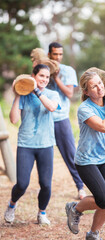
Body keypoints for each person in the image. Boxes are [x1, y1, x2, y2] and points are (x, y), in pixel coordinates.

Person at [65, 71, 105, 240]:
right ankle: (75, 208)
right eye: (94, 86)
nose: (100, 88)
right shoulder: (85, 109)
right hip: (86, 160)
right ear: (86, 92)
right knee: (104, 199)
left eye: (100, 83)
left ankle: (93, 233)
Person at [4, 64, 61, 225]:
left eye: (47, 77)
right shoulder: (24, 95)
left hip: (46, 145)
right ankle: (11, 205)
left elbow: (50, 107)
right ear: (33, 76)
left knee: (46, 184)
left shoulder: (52, 94)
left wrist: (36, 90)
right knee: (22, 184)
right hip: (26, 144)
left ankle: (42, 213)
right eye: (41, 75)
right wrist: (17, 94)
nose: (44, 79)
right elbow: (14, 120)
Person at [47, 42, 86, 200]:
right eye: (55, 54)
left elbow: (70, 93)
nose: (57, 57)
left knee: (70, 154)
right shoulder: (43, 70)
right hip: (45, 120)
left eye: (60, 54)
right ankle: (44, 190)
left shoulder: (68, 71)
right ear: (49, 54)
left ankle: (80, 187)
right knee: (44, 155)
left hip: (60, 118)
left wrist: (56, 79)